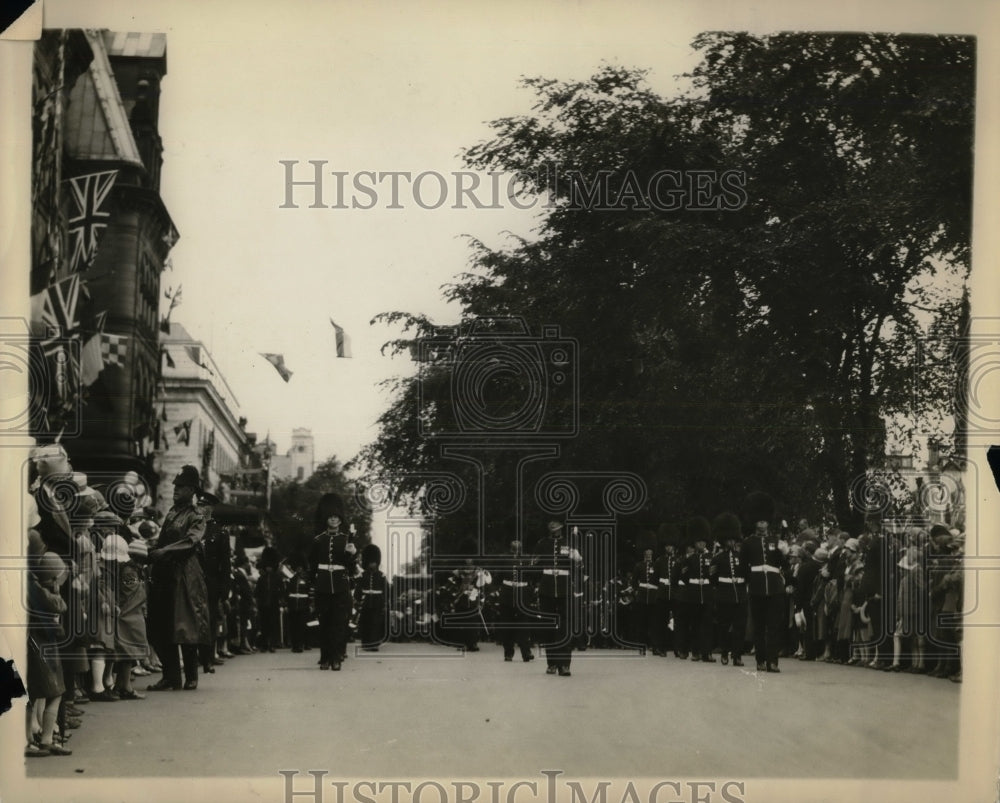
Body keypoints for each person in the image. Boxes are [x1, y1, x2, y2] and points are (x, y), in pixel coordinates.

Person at [146, 466, 211, 691]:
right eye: (175, 486)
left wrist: (164, 551)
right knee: (161, 625)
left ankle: (191, 675)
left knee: (184, 625)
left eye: (181, 487)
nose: (175, 490)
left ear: (192, 490)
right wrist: (149, 548)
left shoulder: (196, 516)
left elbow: (191, 541)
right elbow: (162, 539)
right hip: (165, 573)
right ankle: (171, 676)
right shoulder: (172, 513)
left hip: (185, 574)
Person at [26, 552, 71, 757]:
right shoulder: (41, 595)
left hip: (34, 645)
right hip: (42, 647)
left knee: (37, 694)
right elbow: (59, 608)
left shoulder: (31, 586)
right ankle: (41, 739)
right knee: (51, 693)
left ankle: (35, 739)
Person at [740, 492, 788, 673]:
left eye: (764, 521)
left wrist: (784, 553)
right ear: (755, 523)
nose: (762, 524)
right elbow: (744, 568)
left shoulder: (776, 541)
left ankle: (773, 661)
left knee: (774, 626)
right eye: (759, 521)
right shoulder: (748, 543)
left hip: (775, 587)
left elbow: (783, 565)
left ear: (768, 522)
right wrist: (747, 584)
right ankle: (760, 660)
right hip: (757, 587)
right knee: (759, 627)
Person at [309, 493, 357, 670]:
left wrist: (351, 555)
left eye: (336, 517)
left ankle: (336, 658)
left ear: (340, 520)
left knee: (338, 624)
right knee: (324, 623)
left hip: (339, 586)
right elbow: (312, 565)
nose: (334, 520)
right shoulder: (318, 540)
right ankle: (325, 657)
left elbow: (350, 569)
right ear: (326, 520)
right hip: (322, 585)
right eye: (331, 517)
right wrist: (312, 585)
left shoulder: (346, 540)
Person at [531, 520, 583, 677]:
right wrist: (536, 583)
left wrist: (578, 560)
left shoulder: (569, 543)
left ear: (561, 529)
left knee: (564, 628)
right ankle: (552, 663)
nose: (555, 531)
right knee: (549, 628)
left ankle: (565, 665)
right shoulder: (542, 544)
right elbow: (534, 565)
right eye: (553, 529)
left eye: (558, 529)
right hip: (546, 589)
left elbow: (579, 568)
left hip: (564, 588)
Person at [711, 512, 748, 666]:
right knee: (724, 627)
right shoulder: (717, 558)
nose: (731, 542)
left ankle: (737, 655)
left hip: (739, 595)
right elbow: (713, 578)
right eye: (728, 539)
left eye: (733, 539)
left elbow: (747, 574)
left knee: (740, 627)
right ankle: (725, 652)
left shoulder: (742, 556)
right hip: (724, 595)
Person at [680, 517, 716, 663]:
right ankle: (695, 652)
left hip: (707, 593)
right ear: (694, 543)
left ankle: (707, 653)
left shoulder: (711, 557)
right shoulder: (689, 559)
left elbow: (714, 575)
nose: (701, 544)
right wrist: (692, 586)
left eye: (703, 541)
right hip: (694, 594)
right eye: (699, 542)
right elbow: (684, 576)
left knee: (707, 624)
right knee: (694, 624)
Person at [497, 540, 535, 662]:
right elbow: (498, 576)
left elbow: (531, 577)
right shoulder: (503, 558)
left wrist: (530, 591)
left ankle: (526, 652)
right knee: (507, 624)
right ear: (510, 548)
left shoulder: (528, 559)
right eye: (514, 547)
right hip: (507, 593)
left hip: (522, 592)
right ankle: (508, 652)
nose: (516, 550)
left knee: (524, 624)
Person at [355, 544, 390, 651]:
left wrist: (385, 603)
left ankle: (374, 644)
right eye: (370, 562)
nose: (372, 564)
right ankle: (366, 643)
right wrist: (358, 600)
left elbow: (386, 590)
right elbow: (358, 590)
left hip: (377, 602)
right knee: (365, 623)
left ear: (377, 562)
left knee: (375, 624)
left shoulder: (382, 575)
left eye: (374, 562)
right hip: (366, 602)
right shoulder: (362, 575)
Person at [255, 546, 284, 652]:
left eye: (270, 567)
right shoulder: (261, 578)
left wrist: (281, 600)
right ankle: (264, 644)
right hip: (263, 604)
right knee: (264, 625)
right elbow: (257, 592)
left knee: (273, 625)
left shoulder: (277, 578)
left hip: (273, 603)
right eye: (267, 567)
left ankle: (272, 644)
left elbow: (282, 591)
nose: (268, 568)